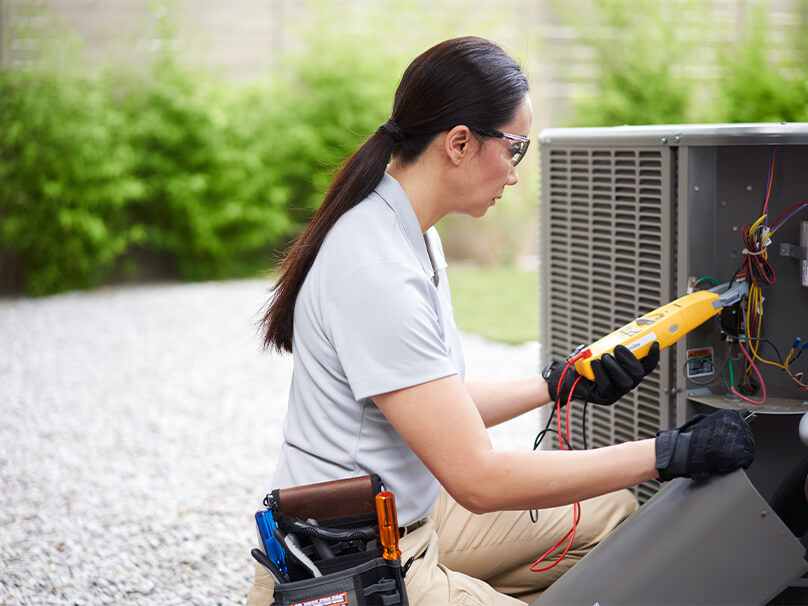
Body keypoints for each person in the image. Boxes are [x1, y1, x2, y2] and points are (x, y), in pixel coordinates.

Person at [247, 36, 754, 605]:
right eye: (515, 148)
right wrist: (670, 452)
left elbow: (441, 404)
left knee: (612, 514)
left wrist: (561, 382)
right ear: (459, 143)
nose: (515, 174)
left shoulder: (412, 234)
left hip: (408, 522)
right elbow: (479, 479)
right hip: (353, 565)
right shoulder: (377, 269)